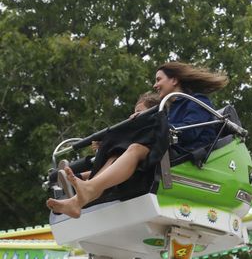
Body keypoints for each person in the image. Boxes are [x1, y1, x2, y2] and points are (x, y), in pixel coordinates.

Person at [47, 62, 228, 218]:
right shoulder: (172, 107)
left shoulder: (194, 101)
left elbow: (190, 135)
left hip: (185, 154)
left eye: (159, 79)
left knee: (134, 148)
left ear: (174, 80)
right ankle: (79, 198)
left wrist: (149, 125)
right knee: (116, 153)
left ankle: (86, 187)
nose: (155, 85)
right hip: (168, 148)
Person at [56, 91, 162, 198]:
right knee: (113, 156)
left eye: (138, 111)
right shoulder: (136, 136)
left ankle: (80, 181)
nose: (132, 116)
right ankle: (80, 185)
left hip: (143, 166)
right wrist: (105, 146)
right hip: (123, 163)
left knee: (118, 154)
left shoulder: (154, 132)